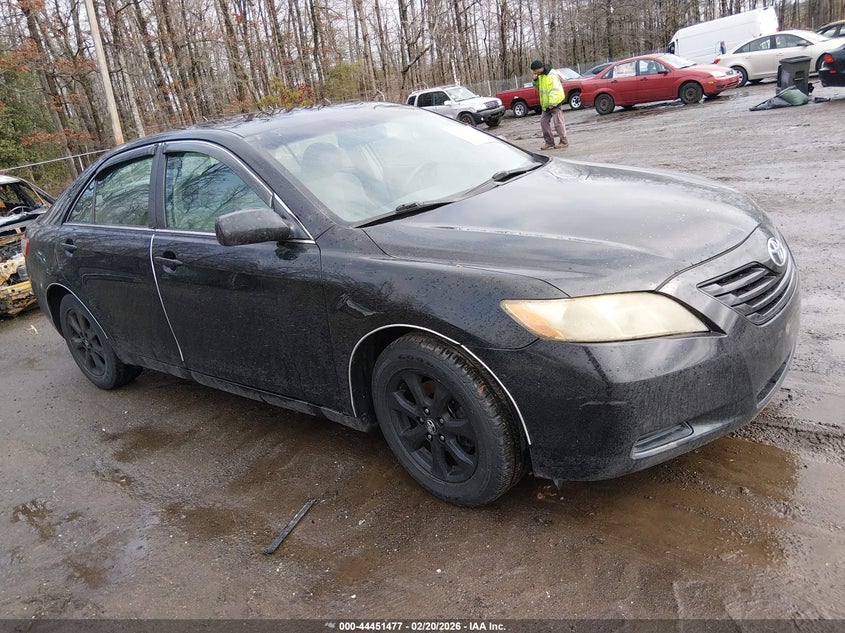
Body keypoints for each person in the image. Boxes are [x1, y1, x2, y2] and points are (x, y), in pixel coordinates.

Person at [530, 60, 569, 150]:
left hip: (554, 103)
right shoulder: (541, 76)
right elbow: (538, 88)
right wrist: (535, 80)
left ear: (540, 68)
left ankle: (564, 141)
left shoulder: (551, 75)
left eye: (534, 70)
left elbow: (555, 89)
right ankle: (549, 142)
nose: (534, 72)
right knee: (543, 122)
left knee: (558, 123)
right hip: (546, 104)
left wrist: (552, 102)